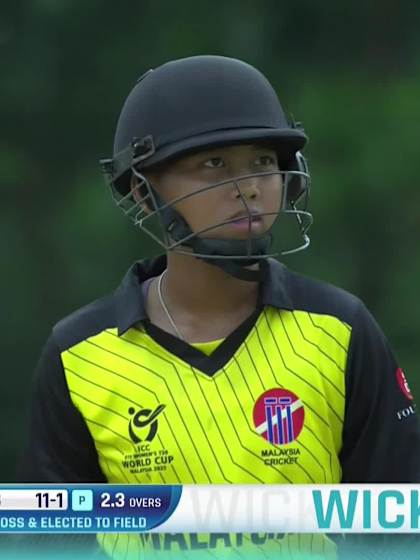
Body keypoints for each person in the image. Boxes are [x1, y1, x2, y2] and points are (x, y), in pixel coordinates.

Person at [18, 55, 420, 559]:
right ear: (144, 192)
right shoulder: (78, 356)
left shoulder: (340, 329)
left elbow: (400, 533)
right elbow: (49, 547)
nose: (248, 186)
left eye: (263, 163)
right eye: (214, 165)